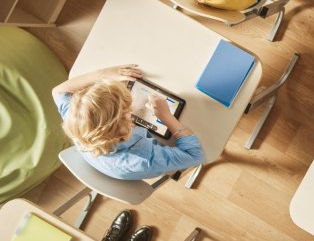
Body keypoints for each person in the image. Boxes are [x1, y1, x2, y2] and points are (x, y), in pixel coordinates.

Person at [52, 64, 205, 180]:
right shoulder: (143, 159)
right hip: (153, 159)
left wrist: (102, 74)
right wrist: (166, 117)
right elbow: (195, 155)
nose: (130, 109)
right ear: (125, 128)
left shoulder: (77, 117)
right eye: (127, 111)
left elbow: (58, 91)